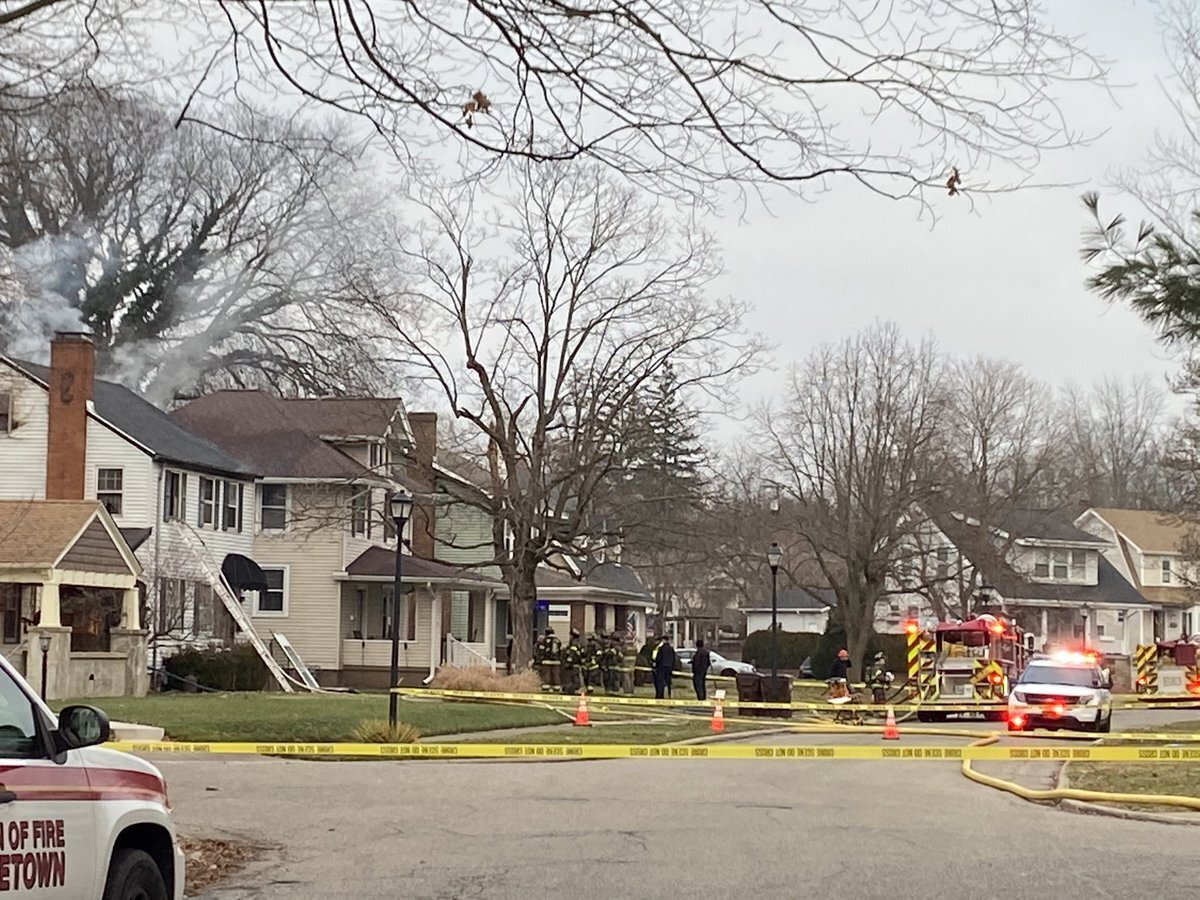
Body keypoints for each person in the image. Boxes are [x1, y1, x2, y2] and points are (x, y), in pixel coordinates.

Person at [652, 634, 677, 699]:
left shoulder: (661, 649)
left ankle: (660, 695)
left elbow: (658, 658)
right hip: (669, 668)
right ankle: (669, 695)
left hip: (661, 668)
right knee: (668, 683)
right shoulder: (671, 649)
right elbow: (674, 658)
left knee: (660, 682)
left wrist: (655, 665)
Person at [562, 629, 584, 694]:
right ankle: (572, 689)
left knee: (573, 676)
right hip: (576, 663)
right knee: (575, 676)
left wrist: (568, 661)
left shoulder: (574, 643)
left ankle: (574, 689)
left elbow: (572, 653)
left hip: (573, 664)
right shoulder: (579, 643)